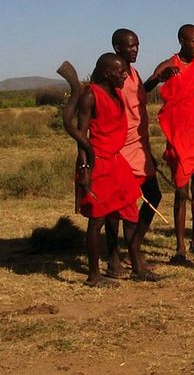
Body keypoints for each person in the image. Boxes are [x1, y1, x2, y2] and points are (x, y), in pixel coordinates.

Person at [74, 53, 150, 286]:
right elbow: (82, 136)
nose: (125, 75)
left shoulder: (116, 93)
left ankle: (137, 267)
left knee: (130, 211)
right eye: (120, 72)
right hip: (97, 163)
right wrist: (85, 169)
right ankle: (94, 275)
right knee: (97, 220)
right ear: (107, 73)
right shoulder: (90, 95)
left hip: (116, 162)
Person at [148, 24, 194, 262]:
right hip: (180, 139)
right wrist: (160, 77)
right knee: (181, 192)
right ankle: (180, 247)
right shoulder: (170, 65)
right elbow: (145, 88)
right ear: (181, 40)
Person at [107, 28, 162, 279]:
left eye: (137, 45)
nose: (135, 49)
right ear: (117, 48)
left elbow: (138, 98)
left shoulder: (134, 73)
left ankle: (134, 248)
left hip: (139, 145)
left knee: (153, 194)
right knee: (118, 206)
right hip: (121, 148)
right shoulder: (114, 76)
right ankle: (113, 258)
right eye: (130, 46)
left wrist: (156, 79)